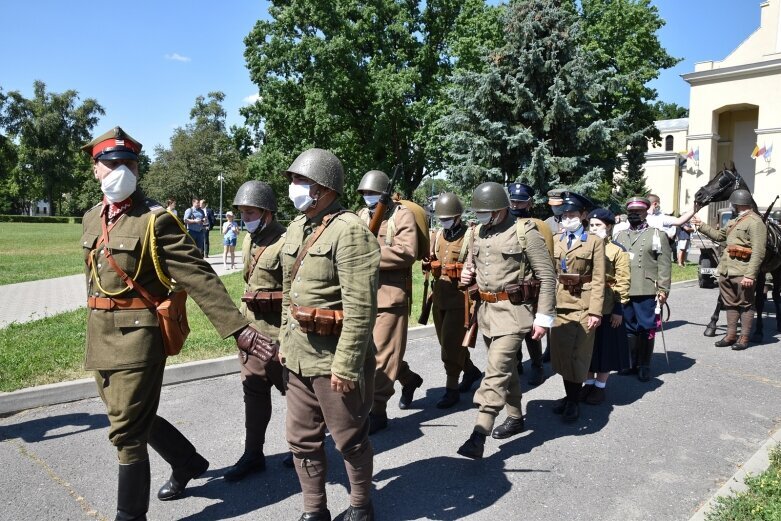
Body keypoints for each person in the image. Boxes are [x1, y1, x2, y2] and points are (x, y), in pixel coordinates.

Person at [80, 127, 272, 521]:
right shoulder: (91, 218)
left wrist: (238, 329)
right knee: (130, 416)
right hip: (98, 336)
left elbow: (197, 275)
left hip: (139, 338)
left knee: (127, 433)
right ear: (95, 169)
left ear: (138, 168)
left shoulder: (156, 220)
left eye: (128, 163)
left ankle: (130, 516)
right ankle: (186, 462)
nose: (120, 170)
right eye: (111, 163)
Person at [279, 148, 380, 521]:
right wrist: (283, 343)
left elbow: (361, 309)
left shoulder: (351, 232)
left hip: (334, 360)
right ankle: (314, 510)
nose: (293, 187)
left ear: (323, 188)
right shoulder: (297, 227)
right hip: (299, 356)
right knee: (301, 440)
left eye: (299, 181)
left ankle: (360, 505)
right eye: (293, 180)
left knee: (350, 440)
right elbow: (289, 293)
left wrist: (347, 366)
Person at [456, 182, 556, 459]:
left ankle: (479, 433)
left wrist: (544, 318)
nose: (482, 216)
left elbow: (547, 276)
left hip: (514, 314)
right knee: (508, 369)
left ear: (502, 209)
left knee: (495, 371)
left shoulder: (525, 231)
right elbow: (473, 266)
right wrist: (467, 277)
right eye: (479, 212)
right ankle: (515, 416)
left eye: (487, 212)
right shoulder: (477, 232)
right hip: (486, 313)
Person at [223, 181, 287, 482]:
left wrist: (267, 299)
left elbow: (299, 292)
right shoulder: (250, 241)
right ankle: (253, 454)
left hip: (279, 336)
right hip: (251, 334)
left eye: (250, 212)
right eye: (242, 212)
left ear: (267, 212)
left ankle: (305, 447)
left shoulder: (287, 243)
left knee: (301, 397)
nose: (244, 217)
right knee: (254, 396)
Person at [357, 170, 424, 434]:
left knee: (383, 357)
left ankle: (377, 410)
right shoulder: (362, 215)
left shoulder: (401, 215)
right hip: (362, 295)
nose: (367, 198)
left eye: (371, 193)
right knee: (368, 354)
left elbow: (407, 252)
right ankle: (409, 378)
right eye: (364, 194)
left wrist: (366, 255)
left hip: (389, 297)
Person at [548, 192, 605, 423]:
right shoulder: (556, 239)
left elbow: (600, 278)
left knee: (577, 355)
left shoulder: (594, 241)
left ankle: (573, 401)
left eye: (572, 213)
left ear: (583, 215)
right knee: (561, 354)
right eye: (564, 214)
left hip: (583, 304)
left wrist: (595, 311)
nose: (567, 217)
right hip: (560, 303)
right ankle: (569, 395)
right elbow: (551, 273)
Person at [425, 192, 482, 409]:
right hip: (439, 297)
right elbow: (433, 259)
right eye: (441, 218)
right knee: (446, 342)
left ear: (458, 216)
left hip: (461, 300)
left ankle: (452, 389)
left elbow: (479, 264)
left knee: (449, 346)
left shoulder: (470, 235)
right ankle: (470, 371)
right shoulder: (438, 234)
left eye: (448, 217)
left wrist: (470, 270)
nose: (444, 221)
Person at [691, 189, 767, 350]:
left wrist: (750, 275)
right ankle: (731, 335)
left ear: (738, 204)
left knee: (746, 304)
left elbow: (759, 251)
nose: (732, 206)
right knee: (729, 303)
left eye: (733, 204)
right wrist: (701, 225)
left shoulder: (755, 222)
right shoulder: (734, 220)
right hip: (726, 270)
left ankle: (744, 337)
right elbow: (719, 236)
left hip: (742, 272)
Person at [614, 197, 672, 381]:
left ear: (646, 211)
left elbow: (664, 264)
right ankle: (631, 362)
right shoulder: (619, 235)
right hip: (624, 288)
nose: (634, 214)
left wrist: (663, 289)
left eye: (638, 211)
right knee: (628, 327)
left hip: (647, 287)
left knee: (647, 327)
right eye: (631, 212)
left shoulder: (657, 234)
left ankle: (644, 364)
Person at [580, 208, 631, 405]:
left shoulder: (617, 250)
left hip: (609, 305)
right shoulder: (584, 245)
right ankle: (589, 383)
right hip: (587, 304)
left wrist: (619, 309)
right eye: (591, 225)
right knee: (588, 348)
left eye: (598, 225)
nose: (593, 228)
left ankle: (600, 387)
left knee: (605, 349)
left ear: (608, 227)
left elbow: (623, 282)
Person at [507, 182, 553, 386]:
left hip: (530, 286)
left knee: (531, 331)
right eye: (513, 201)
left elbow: (548, 258)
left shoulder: (539, 226)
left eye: (520, 202)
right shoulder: (504, 223)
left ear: (529, 203)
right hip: (508, 286)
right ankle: (516, 363)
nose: (515, 206)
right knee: (511, 327)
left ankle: (537, 365)